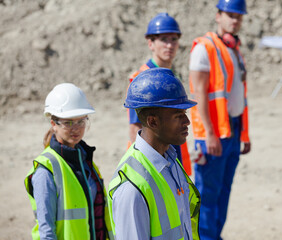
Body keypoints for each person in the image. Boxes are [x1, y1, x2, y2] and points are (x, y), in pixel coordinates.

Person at [108, 68, 201, 240]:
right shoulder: (132, 188)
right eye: (178, 115)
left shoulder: (170, 160)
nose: (187, 122)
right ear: (153, 121)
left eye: (185, 114)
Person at [188, 0, 251, 239]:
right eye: (230, 15)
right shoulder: (204, 48)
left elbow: (238, 95)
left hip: (232, 131)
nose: (235, 20)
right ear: (218, 16)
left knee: (224, 191)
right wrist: (210, 133)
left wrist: (244, 134)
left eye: (239, 16)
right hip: (213, 134)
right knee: (208, 194)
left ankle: (215, 235)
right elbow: (199, 94)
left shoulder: (233, 49)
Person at [24, 83, 113, 240]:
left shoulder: (86, 159)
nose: (76, 128)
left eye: (81, 121)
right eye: (68, 122)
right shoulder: (46, 170)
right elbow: (46, 229)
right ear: (53, 124)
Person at [127, 12, 193, 175]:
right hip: (156, 161)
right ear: (150, 43)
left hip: (171, 152)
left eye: (174, 39)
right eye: (163, 39)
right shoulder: (143, 79)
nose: (170, 45)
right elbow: (136, 128)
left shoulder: (169, 75)